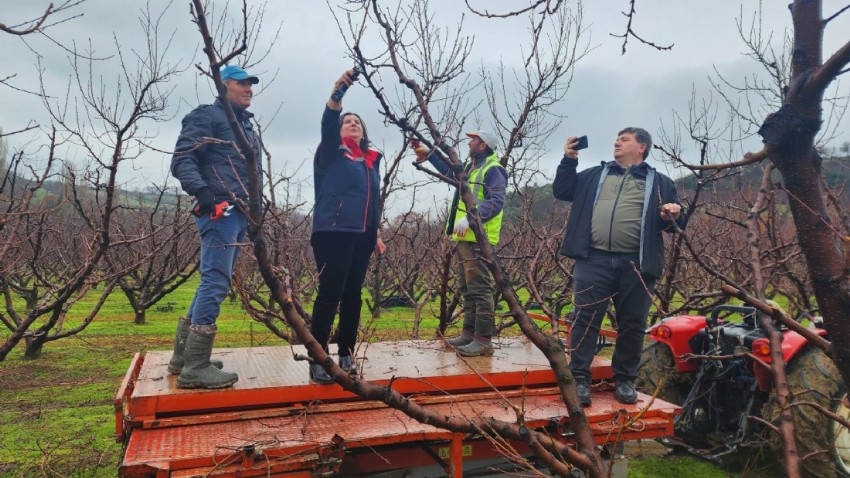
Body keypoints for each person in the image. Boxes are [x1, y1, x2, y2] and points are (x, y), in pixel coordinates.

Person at [553, 127, 686, 406]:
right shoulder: (594, 175)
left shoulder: (660, 182)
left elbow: (676, 224)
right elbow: (562, 190)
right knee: (585, 319)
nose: (616, 142)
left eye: (624, 139)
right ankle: (579, 379)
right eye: (616, 138)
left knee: (633, 324)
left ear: (642, 148)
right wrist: (569, 159)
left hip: (635, 264)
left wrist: (671, 214)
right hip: (593, 259)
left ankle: (624, 380)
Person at [168, 65, 262, 389]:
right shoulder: (208, 116)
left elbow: (252, 175)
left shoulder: (246, 128)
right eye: (241, 83)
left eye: (251, 84)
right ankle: (195, 367)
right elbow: (182, 158)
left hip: (238, 212)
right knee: (216, 283)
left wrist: (255, 215)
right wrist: (203, 191)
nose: (249, 88)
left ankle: (184, 358)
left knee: (213, 281)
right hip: (219, 209)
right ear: (224, 86)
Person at [309, 69, 387, 385]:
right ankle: (318, 360)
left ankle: (346, 353)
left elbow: (373, 200)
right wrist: (338, 92)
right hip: (334, 231)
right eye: (347, 121)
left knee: (353, 295)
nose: (352, 124)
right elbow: (328, 124)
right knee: (330, 293)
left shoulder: (369, 160)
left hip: (362, 235)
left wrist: (377, 232)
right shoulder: (331, 151)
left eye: (357, 122)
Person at [414, 131, 508, 357]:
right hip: (465, 238)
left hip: (478, 238)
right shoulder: (471, 166)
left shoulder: (493, 170)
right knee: (467, 289)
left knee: (480, 290)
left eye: (473, 140)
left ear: (483, 145)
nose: (468, 143)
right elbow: (450, 172)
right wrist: (429, 155)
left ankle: (484, 341)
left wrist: (471, 217)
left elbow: (496, 202)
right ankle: (469, 334)